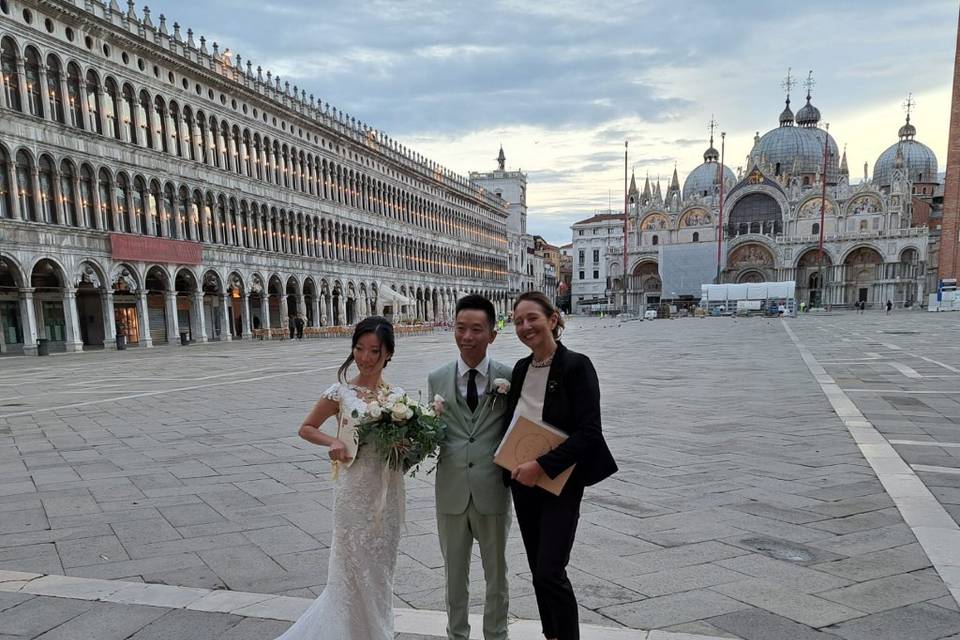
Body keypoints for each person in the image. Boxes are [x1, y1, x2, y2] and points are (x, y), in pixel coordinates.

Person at [275, 316, 403, 640]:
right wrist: (331, 441)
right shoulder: (340, 393)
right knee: (352, 566)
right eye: (359, 349)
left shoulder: (397, 399)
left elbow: (402, 449)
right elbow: (306, 428)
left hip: (388, 493)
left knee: (380, 568)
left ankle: (376, 629)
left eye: (374, 350)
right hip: (353, 491)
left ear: (388, 353)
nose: (366, 357)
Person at [505, 291, 618, 640]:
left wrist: (541, 465)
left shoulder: (576, 365)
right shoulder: (522, 369)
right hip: (524, 485)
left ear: (553, 319)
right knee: (537, 569)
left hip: (561, 483)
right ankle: (551, 635)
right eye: (519, 321)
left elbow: (589, 433)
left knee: (550, 571)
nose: (525, 327)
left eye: (532, 318)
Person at [427, 294, 513, 640]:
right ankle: (456, 635)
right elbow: (433, 431)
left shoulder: (508, 377)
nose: (467, 337)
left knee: (497, 574)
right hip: (450, 492)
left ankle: (497, 634)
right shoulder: (437, 378)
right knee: (453, 576)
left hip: (492, 489)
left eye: (477, 329)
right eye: (461, 328)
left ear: (492, 333)